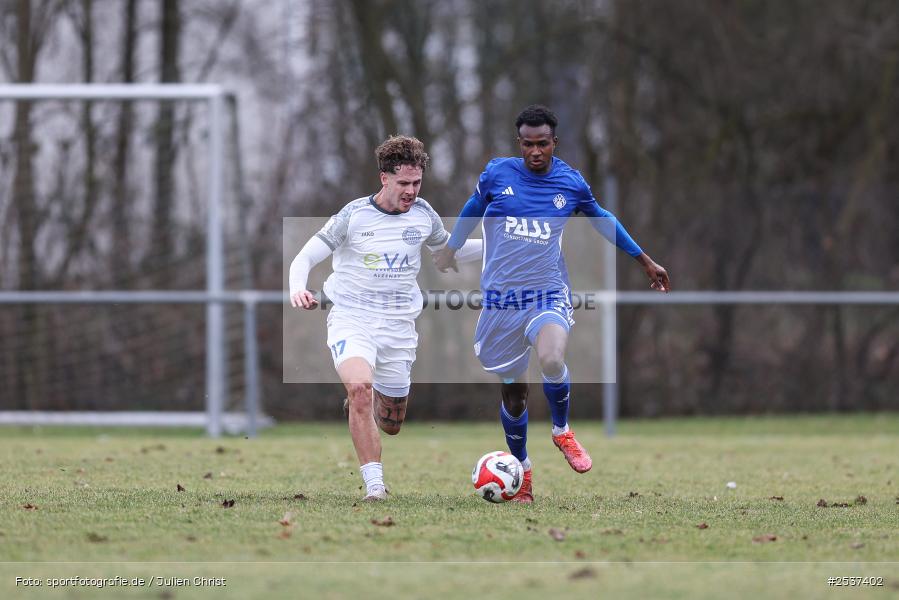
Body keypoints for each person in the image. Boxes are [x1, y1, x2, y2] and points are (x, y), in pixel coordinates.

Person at [435, 105, 670, 503]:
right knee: (514, 394)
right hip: (500, 302)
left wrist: (644, 260)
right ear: (519, 144)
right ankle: (522, 472)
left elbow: (602, 220)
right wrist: (452, 247)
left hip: (547, 293)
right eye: (528, 144)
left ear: (554, 143)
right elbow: (474, 207)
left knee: (551, 358)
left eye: (542, 144)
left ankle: (562, 430)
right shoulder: (497, 174)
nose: (535, 152)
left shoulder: (570, 183)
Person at [290, 135, 481, 502]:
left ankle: (363, 401)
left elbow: (447, 255)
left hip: (398, 327)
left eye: (416, 182)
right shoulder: (353, 216)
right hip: (351, 316)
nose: (411, 191)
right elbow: (305, 256)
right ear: (384, 179)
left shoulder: (424, 215)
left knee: (392, 424)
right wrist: (298, 287)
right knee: (360, 390)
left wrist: (502, 244)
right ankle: (375, 484)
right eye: (404, 183)